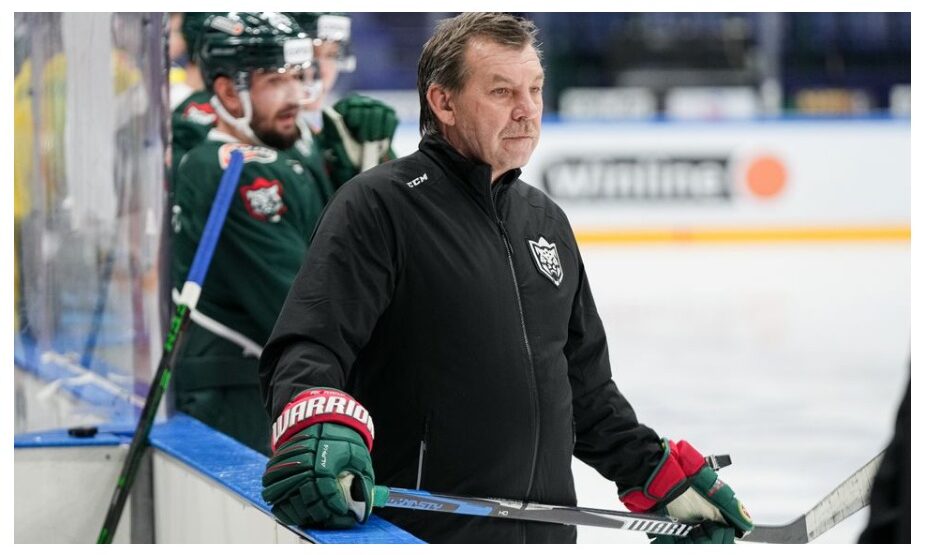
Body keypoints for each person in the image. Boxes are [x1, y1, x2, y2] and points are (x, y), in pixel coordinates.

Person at [258, 13, 753, 544]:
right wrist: (316, 422)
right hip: (420, 534)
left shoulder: (544, 220)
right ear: (443, 103)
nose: (527, 110)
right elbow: (310, 346)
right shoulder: (380, 206)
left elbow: (585, 391)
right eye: (502, 92)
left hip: (546, 536)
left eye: (534, 89)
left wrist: (653, 470)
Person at [170, 12, 395, 455]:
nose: (295, 94)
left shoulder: (283, 151)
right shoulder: (234, 170)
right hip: (241, 403)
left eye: (297, 76)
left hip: (264, 390)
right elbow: (306, 308)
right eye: (275, 81)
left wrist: (375, 161)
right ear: (228, 92)